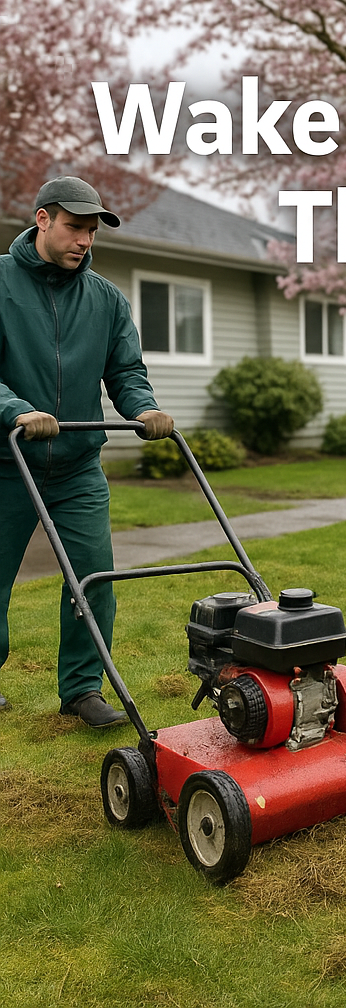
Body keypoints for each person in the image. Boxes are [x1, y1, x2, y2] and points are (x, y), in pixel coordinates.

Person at [0, 176, 174, 726]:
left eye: (92, 231)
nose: (85, 240)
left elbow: (125, 372)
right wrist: (16, 411)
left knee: (93, 577)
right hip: (7, 464)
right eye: (75, 227)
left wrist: (142, 409)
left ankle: (81, 690)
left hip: (76, 468)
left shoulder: (105, 300)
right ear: (43, 219)